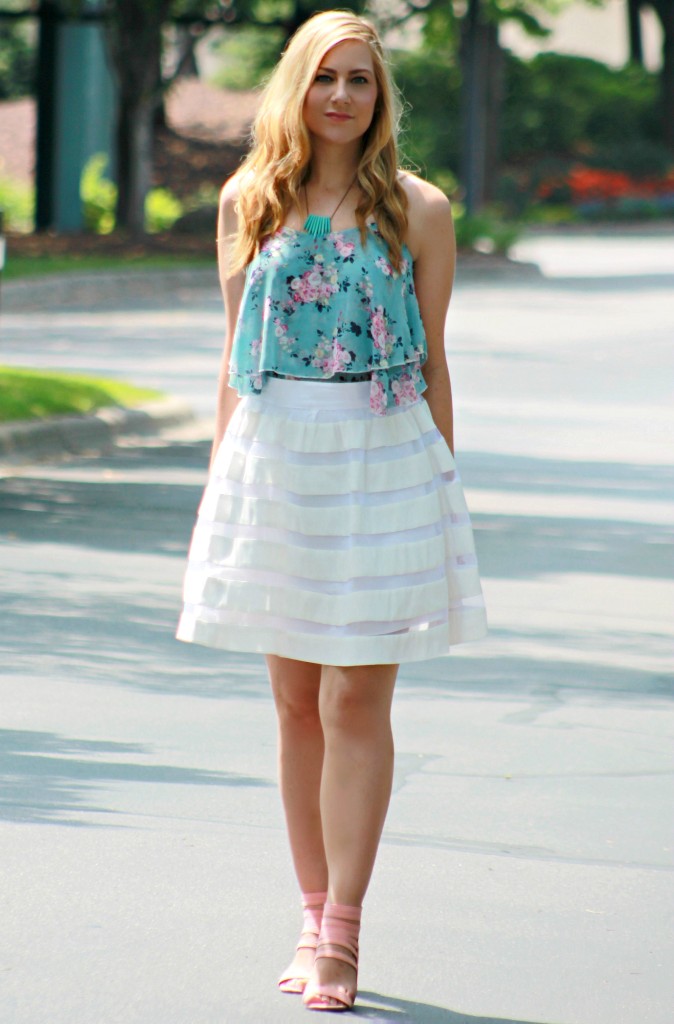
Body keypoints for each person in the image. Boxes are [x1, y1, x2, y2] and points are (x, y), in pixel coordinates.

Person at [177, 9, 487, 1013]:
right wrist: (222, 482)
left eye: (360, 79)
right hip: (275, 458)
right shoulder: (248, 202)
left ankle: (342, 934)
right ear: (294, 90)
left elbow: (434, 359)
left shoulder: (418, 209)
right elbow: (235, 358)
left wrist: (443, 483)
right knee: (295, 703)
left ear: (380, 96)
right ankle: (307, 914)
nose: (343, 97)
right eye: (325, 78)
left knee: (357, 699)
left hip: (382, 454)